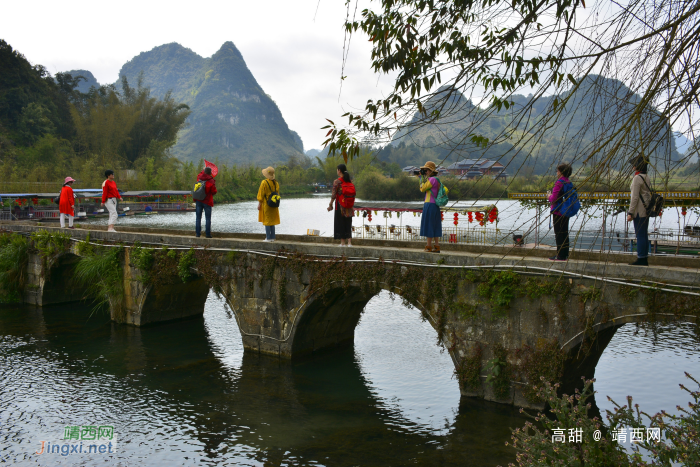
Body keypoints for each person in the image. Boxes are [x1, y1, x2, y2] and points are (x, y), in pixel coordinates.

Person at [627, 156, 651, 266]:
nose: (633, 166)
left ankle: (641, 258)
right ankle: (644, 257)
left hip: (639, 211)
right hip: (646, 210)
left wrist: (630, 212)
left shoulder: (637, 178)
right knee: (644, 235)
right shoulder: (646, 177)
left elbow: (634, 197)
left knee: (640, 235)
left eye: (634, 164)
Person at [547, 163, 573, 261]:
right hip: (566, 211)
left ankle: (560, 256)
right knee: (565, 233)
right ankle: (564, 254)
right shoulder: (568, 182)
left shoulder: (559, 182)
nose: (557, 172)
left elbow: (554, 199)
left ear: (561, 172)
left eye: (557, 171)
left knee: (559, 233)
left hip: (558, 211)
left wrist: (549, 196)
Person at [419, 161, 442, 252]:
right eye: (425, 170)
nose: (426, 172)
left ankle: (428, 246)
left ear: (431, 171)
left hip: (429, 204)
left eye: (427, 170)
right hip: (435, 205)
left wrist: (421, 178)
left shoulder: (432, 180)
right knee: (435, 225)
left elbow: (422, 188)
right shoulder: (437, 180)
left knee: (429, 225)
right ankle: (437, 247)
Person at [327, 164, 353, 246]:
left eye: (337, 170)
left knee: (341, 222)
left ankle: (342, 243)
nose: (337, 171)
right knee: (348, 223)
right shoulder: (349, 180)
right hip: (349, 205)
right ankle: (349, 243)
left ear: (339, 170)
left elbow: (334, 195)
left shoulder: (337, 181)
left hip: (340, 205)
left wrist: (330, 204)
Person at [257, 167, 280, 242]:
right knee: (272, 221)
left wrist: (259, 203)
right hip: (274, 204)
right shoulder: (276, 183)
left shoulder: (264, 182)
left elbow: (261, 194)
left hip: (267, 204)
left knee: (267, 221)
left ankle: (268, 238)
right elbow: (278, 194)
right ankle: (273, 237)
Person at [195, 166, 217, 238]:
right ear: (210, 173)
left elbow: (199, 175)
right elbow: (214, 191)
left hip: (198, 200)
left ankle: (198, 234)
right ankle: (207, 234)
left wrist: (202, 169)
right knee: (207, 218)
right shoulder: (211, 180)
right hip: (207, 201)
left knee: (198, 218)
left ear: (204, 172)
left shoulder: (199, 178)